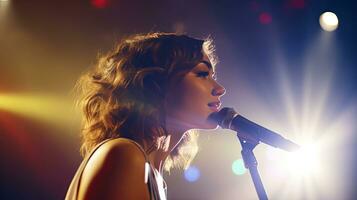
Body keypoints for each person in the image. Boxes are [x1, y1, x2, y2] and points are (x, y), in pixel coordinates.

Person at [65, 32, 226, 200]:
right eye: (202, 74)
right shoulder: (125, 155)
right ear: (156, 83)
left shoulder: (152, 174)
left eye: (212, 76)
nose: (220, 89)